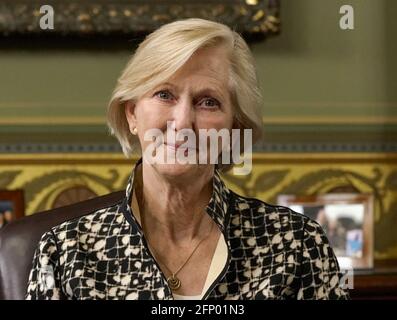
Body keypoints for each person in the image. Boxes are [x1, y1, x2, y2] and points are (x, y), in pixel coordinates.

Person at [26, 18, 349, 300]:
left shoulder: (296, 245)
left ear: (234, 127)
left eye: (208, 102)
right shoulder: (66, 250)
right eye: (164, 95)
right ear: (132, 114)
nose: (182, 122)